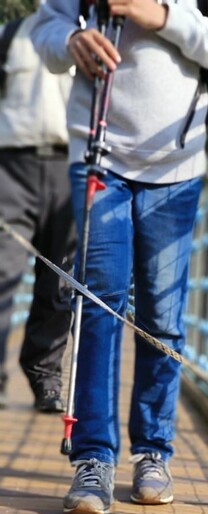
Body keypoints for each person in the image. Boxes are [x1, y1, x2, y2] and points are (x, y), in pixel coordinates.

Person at [31, 0, 208, 514]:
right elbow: (47, 27)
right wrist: (69, 41)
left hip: (176, 169)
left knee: (161, 314)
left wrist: (163, 16)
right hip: (98, 158)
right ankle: (93, 459)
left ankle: (152, 453)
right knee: (98, 307)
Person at [0, 12, 75, 413]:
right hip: (11, 166)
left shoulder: (97, 31)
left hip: (70, 166)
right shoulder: (11, 36)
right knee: (2, 271)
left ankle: (45, 377)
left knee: (58, 280)